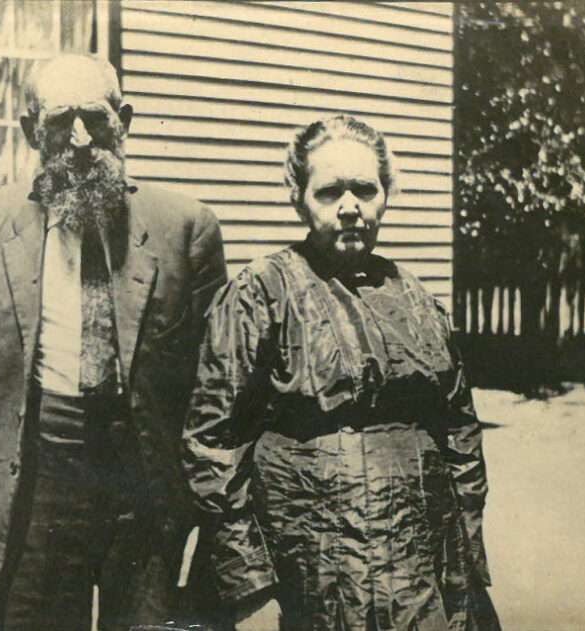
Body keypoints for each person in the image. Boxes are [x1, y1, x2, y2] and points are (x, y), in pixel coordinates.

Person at [0, 53, 227, 631]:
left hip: (146, 494)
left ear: (125, 120)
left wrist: (210, 517)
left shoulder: (187, 229)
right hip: (34, 486)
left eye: (96, 118)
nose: (81, 140)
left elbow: (218, 394)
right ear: (32, 129)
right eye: (60, 122)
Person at [182, 115, 501, 631]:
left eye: (364, 189)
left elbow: (460, 436)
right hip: (304, 572)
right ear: (298, 199)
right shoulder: (261, 294)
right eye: (330, 191)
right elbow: (211, 444)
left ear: (386, 196)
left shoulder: (417, 300)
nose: (350, 207)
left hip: (420, 571)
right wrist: (249, 587)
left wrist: (464, 566)